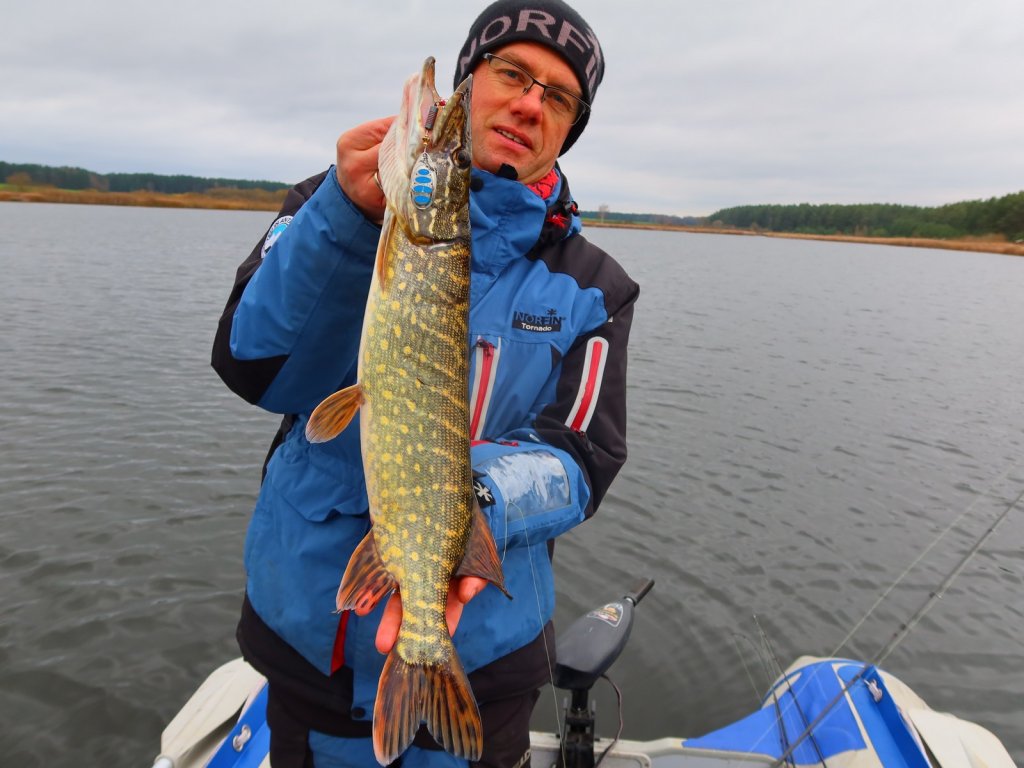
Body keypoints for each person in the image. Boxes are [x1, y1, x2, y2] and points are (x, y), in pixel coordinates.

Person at [211, 2, 638, 766]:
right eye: (512, 72)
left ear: (569, 128)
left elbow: (581, 461)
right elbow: (256, 368)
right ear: (470, 83)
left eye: (559, 96)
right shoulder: (335, 207)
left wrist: (466, 506)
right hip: (317, 641)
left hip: (483, 657)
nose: (530, 102)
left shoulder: (594, 289)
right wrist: (346, 216)